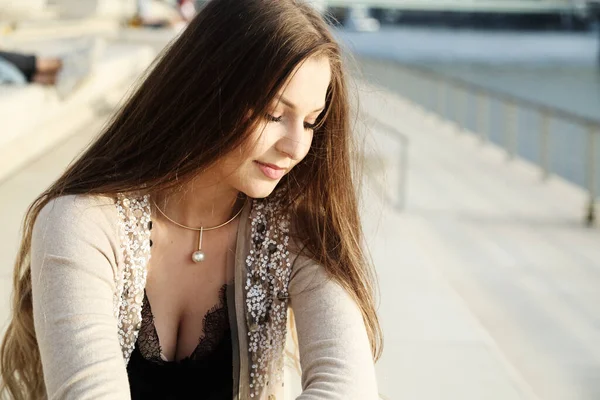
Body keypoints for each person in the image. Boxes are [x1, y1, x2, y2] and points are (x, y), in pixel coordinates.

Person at [0, 0, 383, 399]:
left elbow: (347, 388)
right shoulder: (81, 222)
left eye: (310, 121)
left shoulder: (297, 233)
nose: (296, 146)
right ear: (207, 90)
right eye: (273, 114)